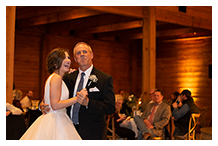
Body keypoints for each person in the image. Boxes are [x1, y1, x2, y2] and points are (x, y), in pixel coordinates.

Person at [40, 42, 115, 140]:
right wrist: (42, 105)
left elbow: (110, 107)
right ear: (75, 59)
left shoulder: (104, 78)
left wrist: (88, 103)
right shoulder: (67, 78)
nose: (82, 54)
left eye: (85, 52)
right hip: (67, 129)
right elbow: (55, 96)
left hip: (92, 133)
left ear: (92, 55)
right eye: (78, 53)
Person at [20, 48, 85, 140]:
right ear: (55, 63)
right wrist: (77, 98)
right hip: (56, 119)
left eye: (68, 57)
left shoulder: (55, 78)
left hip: (56, 117)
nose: (68, 60)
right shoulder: (56, 78)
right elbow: (55, 105)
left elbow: (48, 100)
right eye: (64, 58)